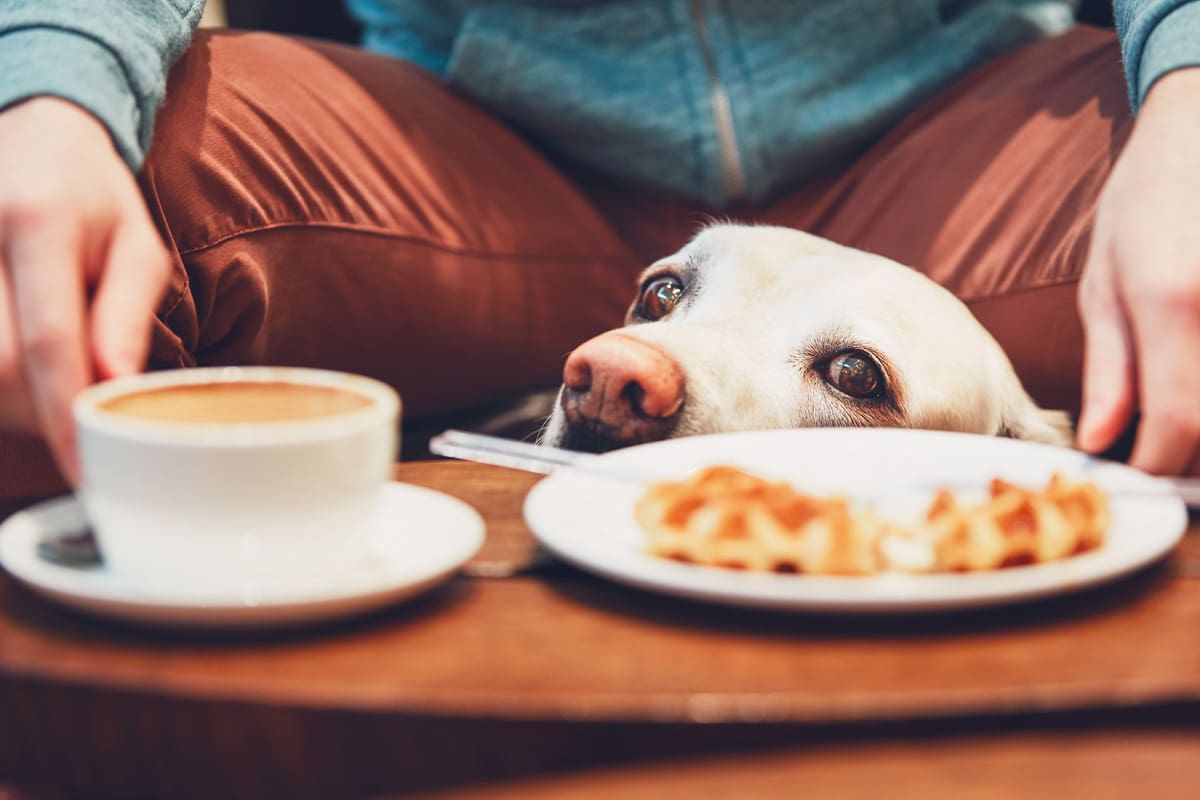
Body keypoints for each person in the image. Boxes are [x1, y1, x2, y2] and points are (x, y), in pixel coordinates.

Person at [0, 0, 1198, 499]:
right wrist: (50, 88)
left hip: (955, 128)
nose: (627, 362)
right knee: (91, 200)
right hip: (479, 155)